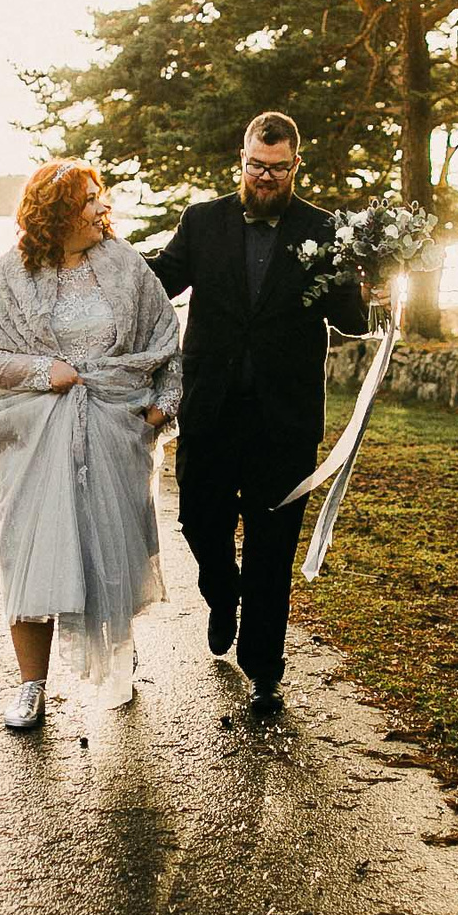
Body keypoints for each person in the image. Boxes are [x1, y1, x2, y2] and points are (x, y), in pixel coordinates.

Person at [149, 112, 367, 714]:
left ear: (296, 165)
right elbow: (160, 282)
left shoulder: (325, 230)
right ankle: (223, 596)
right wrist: (105, 261)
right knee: (199, 522)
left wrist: (366, 279)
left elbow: (352, 321)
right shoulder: (202, 221)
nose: (265, 177)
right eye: (255, 166)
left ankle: (265, 668)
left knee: (272, 548)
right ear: (240, 162)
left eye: (277, 168)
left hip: (284, 420)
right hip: (210, 411)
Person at [0, 160, 183, 730]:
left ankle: (117, 661)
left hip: (113, 431)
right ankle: (30, 687)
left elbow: (165, 334)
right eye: (88, 200)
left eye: (99, 197)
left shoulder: (125, 265)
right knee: (33, 551)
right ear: (56, 213)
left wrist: (165, 402)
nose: (101, 208)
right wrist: (43, 371)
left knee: (110, 548)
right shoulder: (10, 274)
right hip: (36, 438)